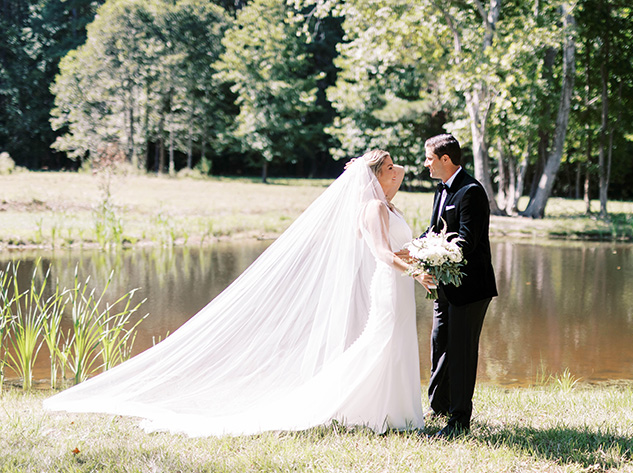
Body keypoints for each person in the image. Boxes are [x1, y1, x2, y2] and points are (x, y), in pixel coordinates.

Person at [45, 150, 430, 437]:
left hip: (397, 284)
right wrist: (418, 272)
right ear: (378, 175)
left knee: (394, 343)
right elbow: (381, 254)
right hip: (389, 284)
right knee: (379, 343)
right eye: (391, 166)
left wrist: (426, 260)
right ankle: (362, 408)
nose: (399, 169)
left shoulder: (388, 207)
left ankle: (393, 412)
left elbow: (398, 248)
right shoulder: (372, 209)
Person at [422, 134, 497, 437]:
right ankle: (439, 407)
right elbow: (433, 230)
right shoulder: (442, 190)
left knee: (463, 352)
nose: (426, 164)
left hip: (470, 288)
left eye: (429, 158)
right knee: (440, 343)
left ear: (445, 159)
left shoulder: (471, 191)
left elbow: (467, 240)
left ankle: (459, 421)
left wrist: (436, 253)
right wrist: (417, 250)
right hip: (445, 286)